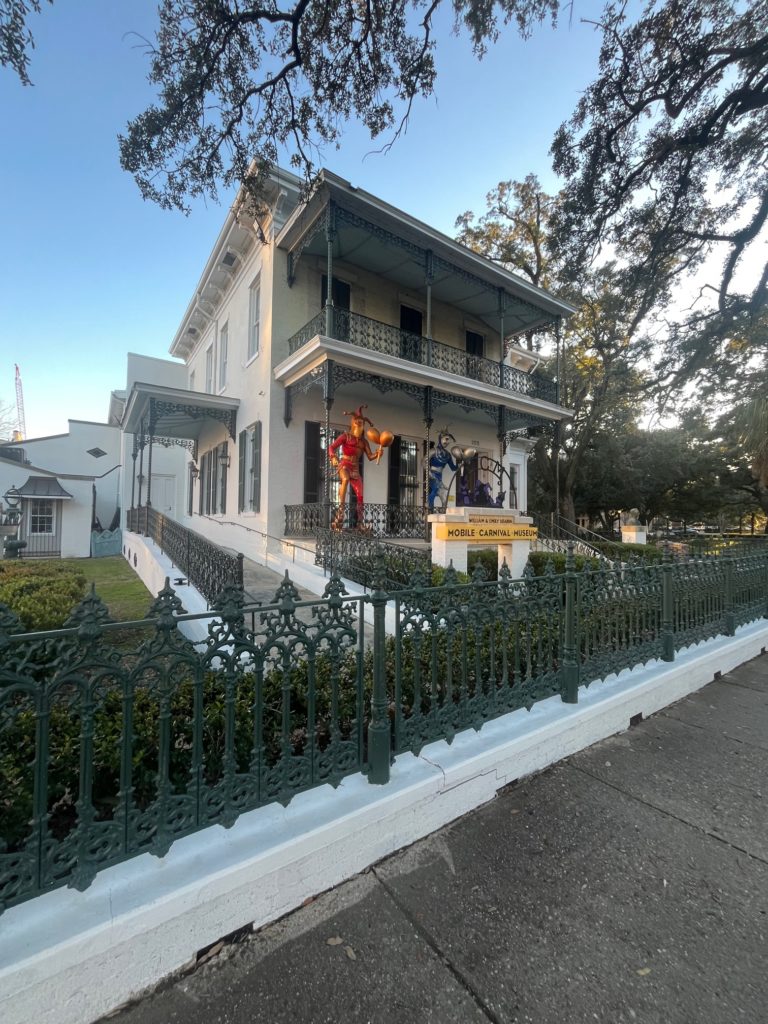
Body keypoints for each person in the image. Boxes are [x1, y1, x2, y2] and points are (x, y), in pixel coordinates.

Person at [328, 405, 384, 529]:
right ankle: (340, 513)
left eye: (362, 423)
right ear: (353, 423)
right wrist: (333, 457)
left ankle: (360, 522)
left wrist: (378, 453)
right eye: (358, 422)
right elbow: (331, 447)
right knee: (345, 479)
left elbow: (370, 456)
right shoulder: (345, 436)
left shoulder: (364, 442)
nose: (360, 425)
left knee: (360, 494)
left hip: (355, 468)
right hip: (345, 464)